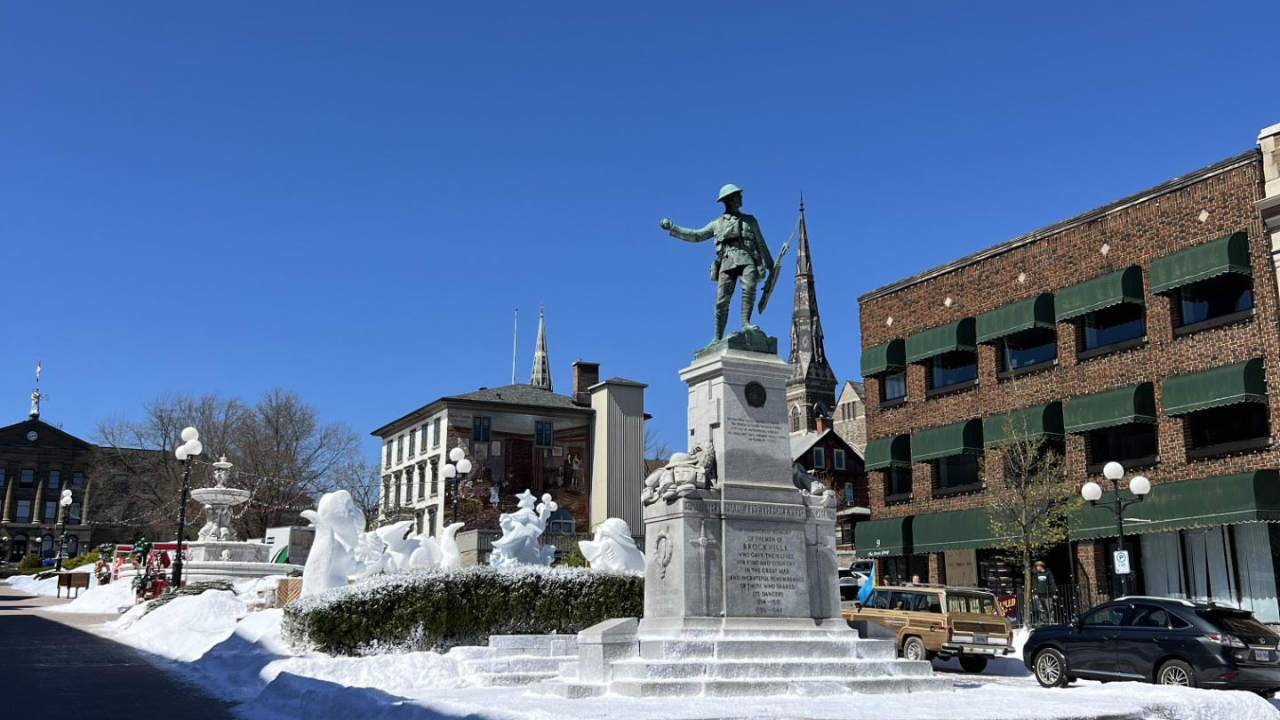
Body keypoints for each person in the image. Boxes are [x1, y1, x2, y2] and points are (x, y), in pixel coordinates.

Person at [661, 184, 775, 343]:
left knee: (749, 289)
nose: (741, 198)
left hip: (747, 259)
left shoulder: (750, 220)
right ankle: (717, 337)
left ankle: (745, 324)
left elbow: (761, 243)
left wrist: (770, 265)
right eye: (737, 195)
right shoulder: (717, 223)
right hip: (727, 261)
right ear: (729, 200)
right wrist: (674, 228)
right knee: (721, 301)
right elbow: (696, 235)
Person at [1031, 560, 1057, 626]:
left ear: (1041, 566)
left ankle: (1051, 620)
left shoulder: (1048, 573)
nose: (1037, 568)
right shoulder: (1036, 575)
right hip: (1040, 594)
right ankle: (1043, 621)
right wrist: (1035, 593)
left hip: (1048, 593)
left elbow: (1052, 583)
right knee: (1041, 608)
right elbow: (1035, 584)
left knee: (1049, 607)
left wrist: (1054, 593)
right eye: (1036, 567)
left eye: (1038, 566)